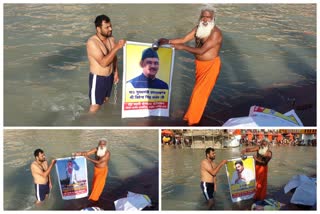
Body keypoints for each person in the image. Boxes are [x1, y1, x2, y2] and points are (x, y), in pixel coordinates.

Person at [157, 7, 223, 125]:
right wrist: (168, 41)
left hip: (211, 66)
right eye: (203, 16)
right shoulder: (199, 28)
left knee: (199, 95)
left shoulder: (216, 33)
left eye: (208, 17)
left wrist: (182, 47)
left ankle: (193, 121)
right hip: (200, 66)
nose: (205, 19)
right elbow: (184, 39)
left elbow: (201, 51)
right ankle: (191, 116)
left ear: (213, 18)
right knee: (196, 93)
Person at [87, 15, 126, 113]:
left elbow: (114, 57)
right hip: (98, 78)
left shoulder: (111, 39)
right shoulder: (92, 43)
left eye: (110, 26)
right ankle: (86, 123)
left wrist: (116, 72)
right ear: (98, 29)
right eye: (107, 27)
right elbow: (103, 63)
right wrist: (117, 47)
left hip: (110, 76)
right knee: (95, 107)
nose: (111, 29)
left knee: (106, 101)